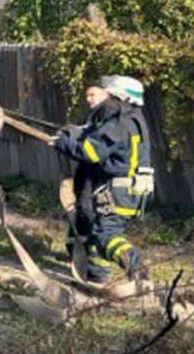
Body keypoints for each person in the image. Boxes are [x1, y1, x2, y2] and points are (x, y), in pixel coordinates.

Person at [50, 75, 153, 285]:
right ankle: (98, 276)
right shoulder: (133, 119)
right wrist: (76, 132)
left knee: (106, 234)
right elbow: (97, 135)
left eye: (111, 95)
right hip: (129, 191)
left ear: (119, 97)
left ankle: (135, 266)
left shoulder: (120, 123)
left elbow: (91, 152)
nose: (107, 100)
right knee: (96, 229)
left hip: (119, 192)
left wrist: (63, 143)